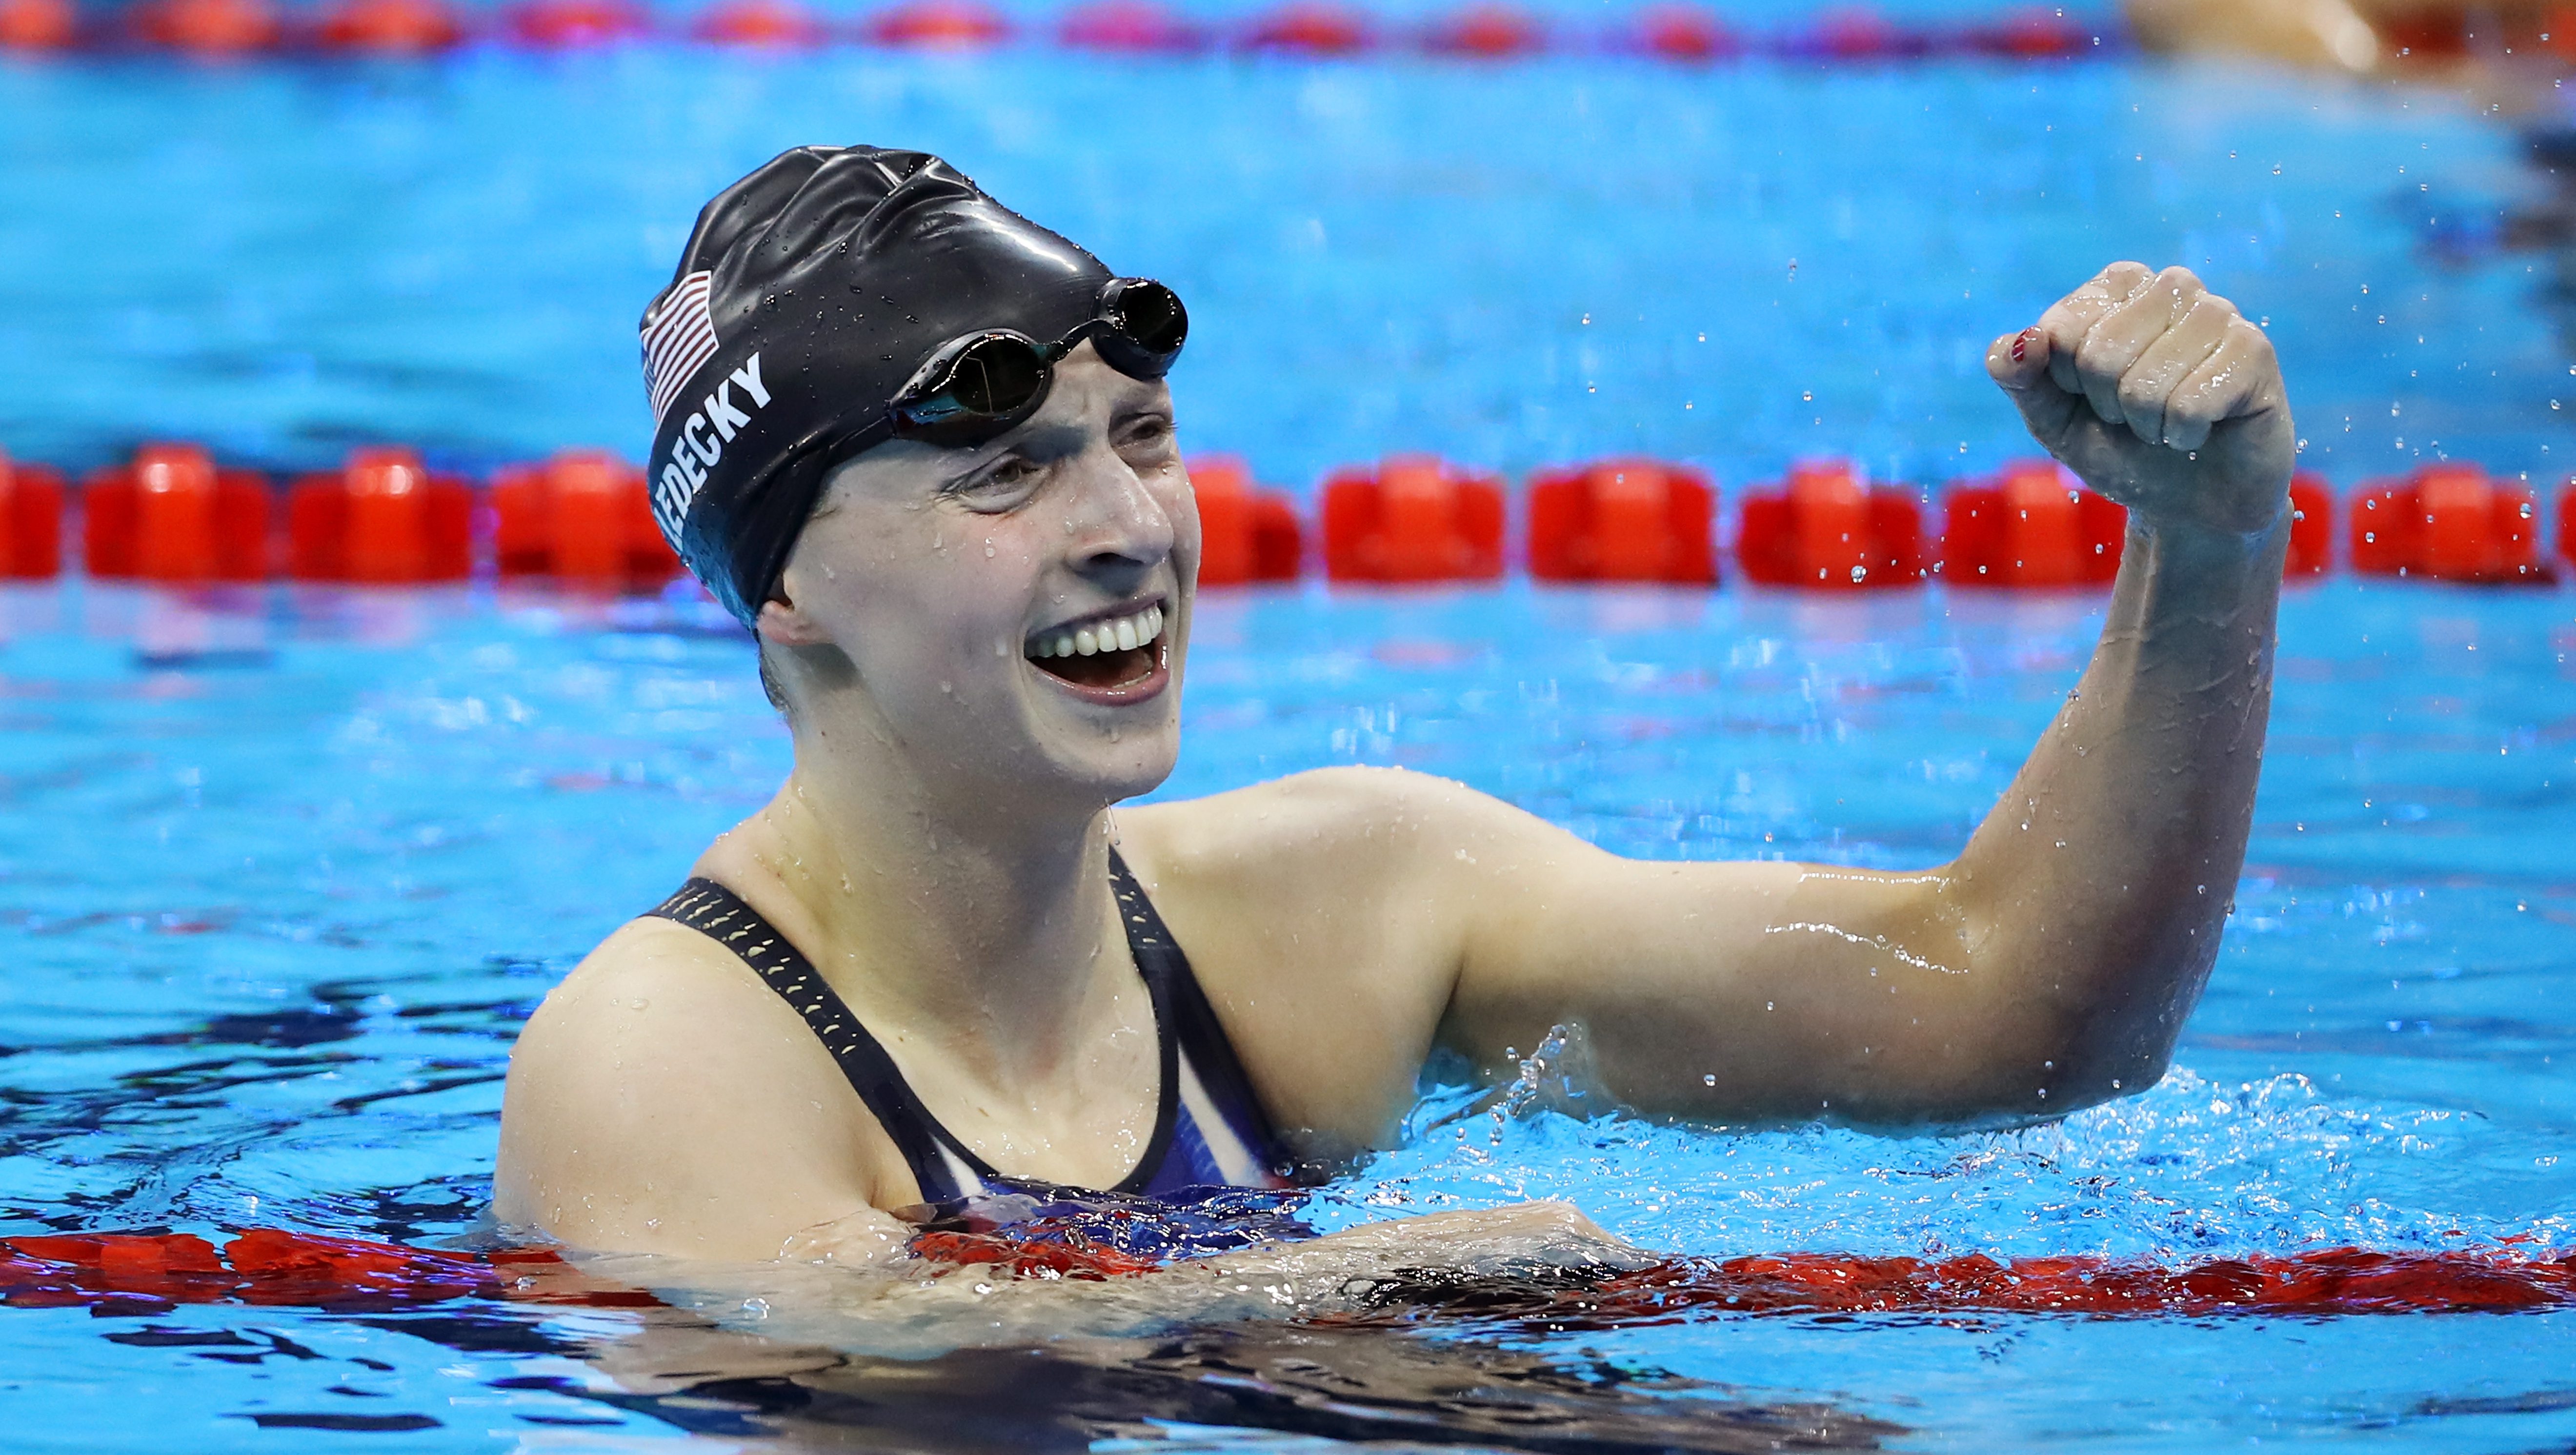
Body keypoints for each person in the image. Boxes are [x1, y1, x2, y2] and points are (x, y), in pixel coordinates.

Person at [494, 145, 2296, 1266]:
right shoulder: (660, 1061)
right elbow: (870, 1345)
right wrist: (1329, 1294)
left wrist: (2210, 548)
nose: (1130, 532)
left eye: (1142, 441)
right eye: (1006, 477)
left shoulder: (1343, 904)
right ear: (787, 585)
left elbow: (2017, 1019)